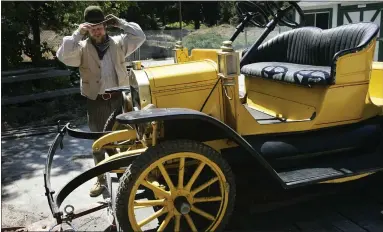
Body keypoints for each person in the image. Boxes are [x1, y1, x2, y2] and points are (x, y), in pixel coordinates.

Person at [56, 5, 146, 197]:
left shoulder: (120, 43)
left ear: (106, 27)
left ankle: (124, 175)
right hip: (96, 101)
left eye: (100, 26)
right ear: (87, 29)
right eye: (92, 28)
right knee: (98, 142)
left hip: (119, 100)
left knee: (123, 139)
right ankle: (101, 179)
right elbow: (62, 56)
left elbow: (140, 36)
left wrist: (120, 23)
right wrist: (77, 34)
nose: (97, 30)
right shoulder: (80, 49)